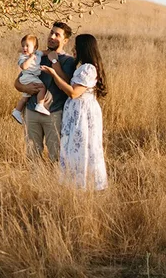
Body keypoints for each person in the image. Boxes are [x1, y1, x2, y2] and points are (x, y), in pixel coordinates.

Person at [41, 33, 108, 190]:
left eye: (76, 46)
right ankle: (77, 183)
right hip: (77, 113)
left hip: (83, 115)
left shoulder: (89, 69)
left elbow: (73, 93)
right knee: (75, 148)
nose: (74, 49)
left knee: (83, 147)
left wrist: (53, 74)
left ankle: (85, 185)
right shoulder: (83, 67)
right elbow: (68, 82)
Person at [14, 22, 76, 162]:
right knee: (32, 154)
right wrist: (26, 89)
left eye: (57, 35)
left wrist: (54, 61)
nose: (51, 37)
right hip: (31, 111)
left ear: (65, 41)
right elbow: (18, 82)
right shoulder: (37, 56)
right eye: (51, 33)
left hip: (54, 113)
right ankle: (35, 183)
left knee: (56, 154)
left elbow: (66, 84)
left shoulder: (68, 61)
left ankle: (54, 183)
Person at [12, 34, 51, 125]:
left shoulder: (38, 53)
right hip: (28, 76)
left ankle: (17, 111)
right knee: (42, 87)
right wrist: (30, 58)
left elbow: (45, 52)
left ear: (35, 48)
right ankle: (40, 104)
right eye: (23, 46)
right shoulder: (23, 57)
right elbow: (24, 67)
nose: (24, 48)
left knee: (25, 97)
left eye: (27, 46)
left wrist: (52, 54)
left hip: (32, 77)